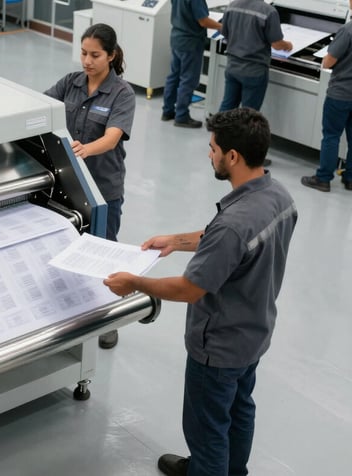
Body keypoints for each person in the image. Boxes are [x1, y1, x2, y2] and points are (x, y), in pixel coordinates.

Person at [104, 108, 297, 476]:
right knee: (239, 411)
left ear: (233, 156)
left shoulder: (234, 223)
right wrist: (176, 241)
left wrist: (134, 283)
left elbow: (190, 288)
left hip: (218, 348)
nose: (210, 154)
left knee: (207, 431)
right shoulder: (278, 197)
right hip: (253, 333)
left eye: (213, 148)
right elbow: (233, 246)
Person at [44, 23, 135, 349]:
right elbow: (43, 107)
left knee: (104, 251)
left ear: (110, 55)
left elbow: (111, 138)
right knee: (70, 244)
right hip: (69, 184)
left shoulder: (122, 94)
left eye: (95, 55)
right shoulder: (71, 83)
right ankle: (72, 310)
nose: (87, 61)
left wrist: (83, 149)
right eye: (83, 53)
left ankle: (108, 317)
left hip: (103, 187)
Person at [301, 0, 352, 193]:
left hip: (340, 94)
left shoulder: (347, 31)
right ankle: (350, 178)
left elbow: (328, 63)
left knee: (331, 136)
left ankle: (323, 179)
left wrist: (324, 58)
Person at [217, 0, 292, 113]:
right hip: (254, 70)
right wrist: (288, 45)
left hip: (232, 66)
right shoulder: (269, 11)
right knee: (249, 114)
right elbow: (276, 44)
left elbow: (224, 32)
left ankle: (216, 131)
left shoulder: (232, 6)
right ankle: (243, 131)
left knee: (227, 106)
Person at [161, 0, 221, 128]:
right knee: (188, 80)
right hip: (191, 42)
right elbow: (203, 21)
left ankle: (167, 111)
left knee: (174, 76)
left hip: (177, 37)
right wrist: (221, 27)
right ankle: (181, 116)